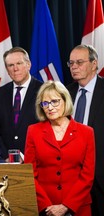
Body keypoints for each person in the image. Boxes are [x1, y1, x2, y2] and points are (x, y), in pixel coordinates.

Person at [25, 80, 95, 216]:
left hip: (78, 207)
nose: (50, 107)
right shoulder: (33, 131)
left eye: (55, 101)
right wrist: (47, 206)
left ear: (65, 100)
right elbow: (30, 173)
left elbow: (87, 176)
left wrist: (66, 206)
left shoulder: (86, 132)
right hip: (45, 208)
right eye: (45, 103)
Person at [66, 44, 104, 216]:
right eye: (71, 63)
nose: (74, 67)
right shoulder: (65, 92)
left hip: (100, 174)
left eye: (79, 62)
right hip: (71, 175)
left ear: (94, 64)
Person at [0, 47, 42, 160]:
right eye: (10, 65)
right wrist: (5, 156)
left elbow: (46, 129)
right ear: (6, 69)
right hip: (5, 162)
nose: (15, 68)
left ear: (28, 65)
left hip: (35, 159)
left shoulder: (43, 91)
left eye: (19, 63)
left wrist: (28, 155)